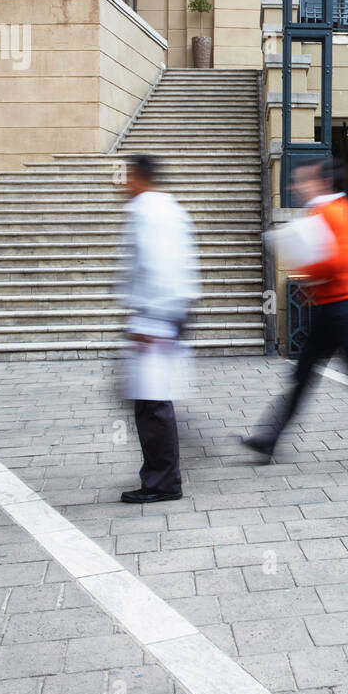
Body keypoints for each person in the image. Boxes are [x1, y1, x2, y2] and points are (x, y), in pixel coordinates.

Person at [242, 157, 348, 468]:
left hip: (339, 309)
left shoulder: (331, 213)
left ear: (321, 182)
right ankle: (268, 439)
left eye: (302, 180)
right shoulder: (341, 210)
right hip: (335, 308)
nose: (296, 186)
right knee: (306, 376)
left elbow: (339, 261)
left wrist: (307, 266)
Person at [115, 154, 201, 503]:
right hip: (169, 312)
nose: (120, 184)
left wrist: (150, 321)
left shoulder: (145, 213)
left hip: (156, 314)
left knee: (152, 404)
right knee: (150, 400)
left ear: (137, 178)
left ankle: (163, 481)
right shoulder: (171, 209)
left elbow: (156, 265)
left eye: (125, 177)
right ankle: (162, 474)